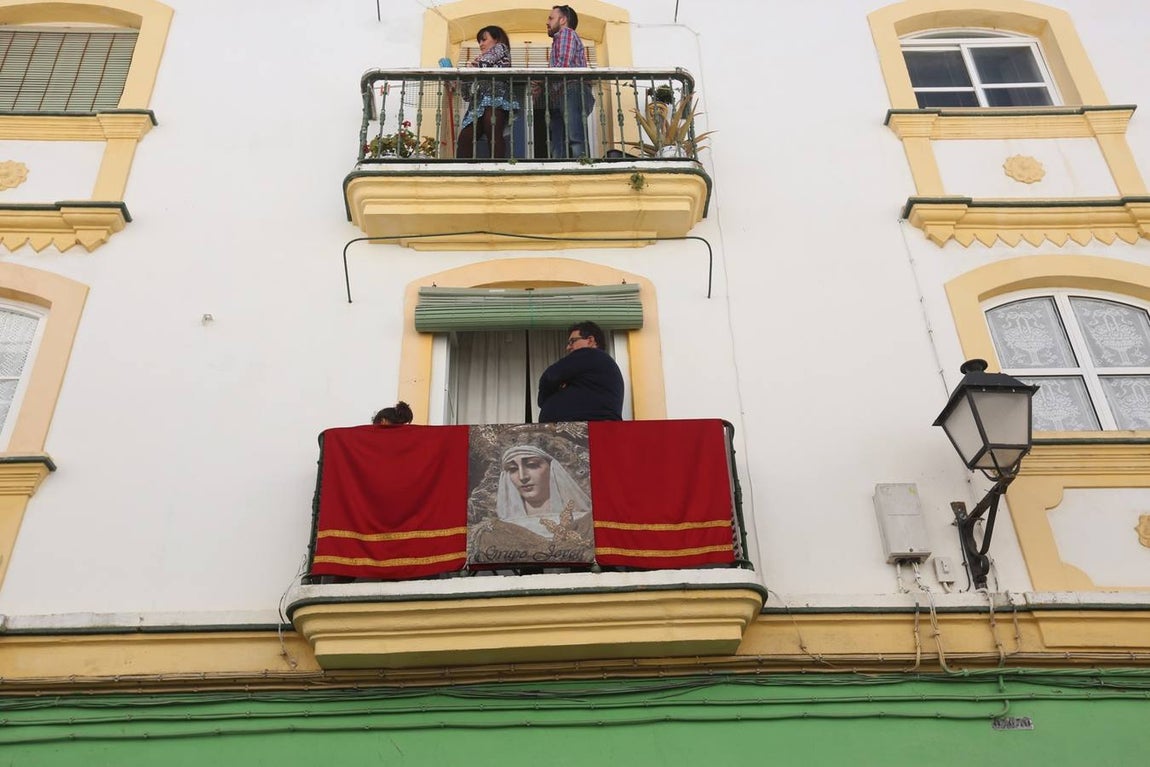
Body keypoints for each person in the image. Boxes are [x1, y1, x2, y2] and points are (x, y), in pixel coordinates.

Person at [496, 444, 592, 538]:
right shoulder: (496, 529)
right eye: (513, 469)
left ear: (553, 467)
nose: (522, 477)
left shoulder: (585, 523)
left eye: (532, 465)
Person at [537, 320, 623, 422]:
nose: (568, 347)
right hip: (589, 429)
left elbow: (549, 376)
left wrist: (554, 391)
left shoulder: (591, 355)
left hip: (589, 429)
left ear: (590, 340)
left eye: (572, 341)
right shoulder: (595, 367)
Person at [456, 26, 517, 159]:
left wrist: (473, 66)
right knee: (465, 137)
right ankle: (462, 172)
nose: (481, 44)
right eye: (479, 41)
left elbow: (486, 62)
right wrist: (465, 77)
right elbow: (466, 96)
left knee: (493, 131)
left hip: (497, 99)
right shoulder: (480, 61)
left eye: (484, 40)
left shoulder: (501, 48)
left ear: (496, 39)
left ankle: (497, 169)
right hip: (478, 106)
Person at [543, 5, 594, 158]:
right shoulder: (560, 39)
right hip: (563, 93)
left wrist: (540, 80)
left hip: (572, 89)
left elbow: (562, 66)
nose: (547, 22)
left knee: (574, 137)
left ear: (563, 20)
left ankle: (583, 167)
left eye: (551, 18)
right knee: (560, 141)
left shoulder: (566, 33)